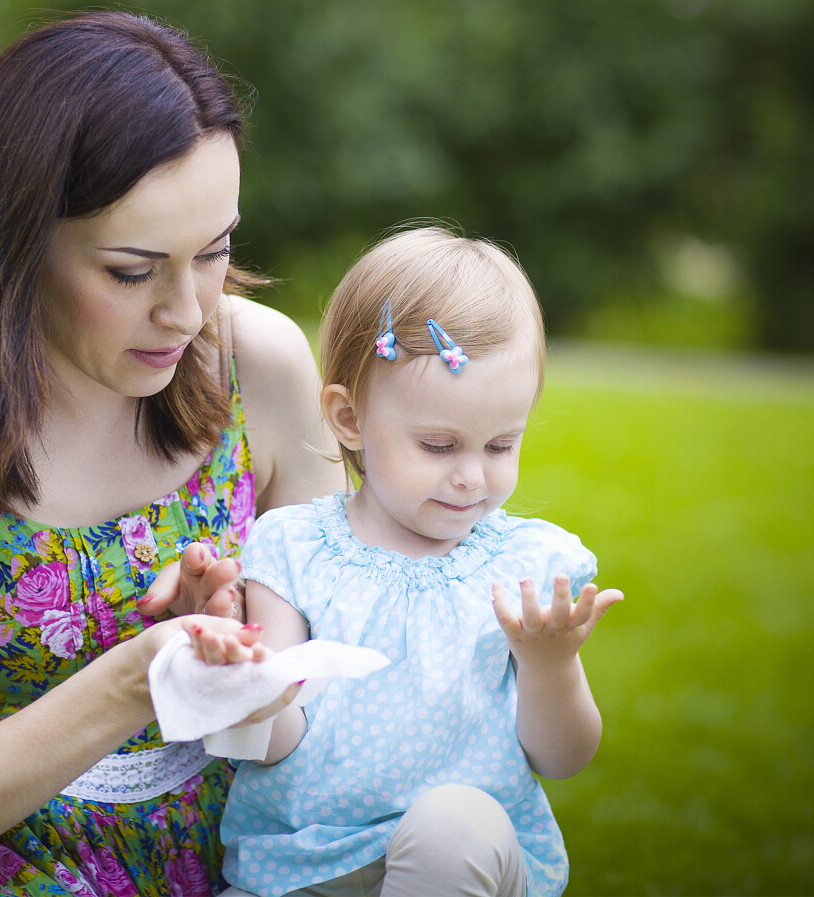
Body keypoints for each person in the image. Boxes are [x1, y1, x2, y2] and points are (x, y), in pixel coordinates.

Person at [0, 11, 343, 896]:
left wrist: (247, 649)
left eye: (215, 251)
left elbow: (342, 706)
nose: (187, 311)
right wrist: (132, 684)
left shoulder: (262, 367)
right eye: (131, 270)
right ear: (11, 241)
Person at [183, 226, 624, 897]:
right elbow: (275, 743)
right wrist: (245, 688)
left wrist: (551, 663)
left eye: (501, 445)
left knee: (452, 825)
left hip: (458, 865)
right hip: (304, 867)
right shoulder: (294, 550)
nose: (472, 476)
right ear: (349, 418)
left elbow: (563, 758)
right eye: (440, 445)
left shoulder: (522, 566)